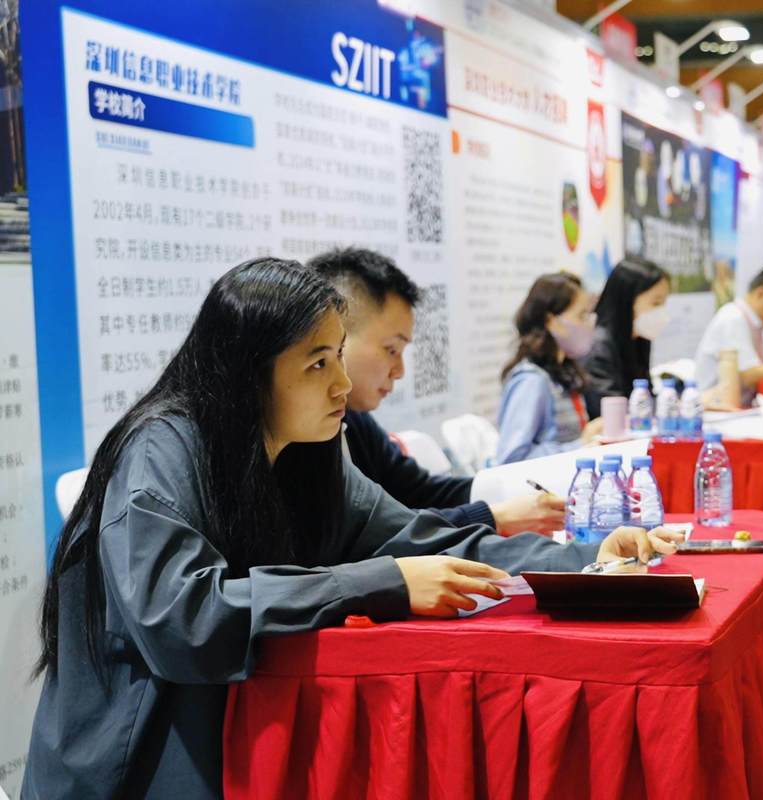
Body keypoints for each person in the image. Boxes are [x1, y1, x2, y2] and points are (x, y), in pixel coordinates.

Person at [23, 258, 678, 800]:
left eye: (337, 356)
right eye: (315, 364)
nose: (341, 383)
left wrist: (584, 558)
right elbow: (184, 620)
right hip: (138, 764)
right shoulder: (162, 451)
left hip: (254, 743)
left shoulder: (310, 453)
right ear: (248, 375)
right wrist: (377, 584)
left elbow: (424, 539)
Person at [307, 248, 565, 535]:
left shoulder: (354, 421)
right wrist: (492, 517)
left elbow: (416, 493)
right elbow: (370, 538)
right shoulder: (300, 438)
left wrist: (507, 494)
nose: (399, 370)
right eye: (391, 349)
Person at [495, 272, 604, 464]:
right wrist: (581, 444)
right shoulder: (532, 381)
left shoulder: (565, 372)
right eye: (581, 315)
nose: (589, 324)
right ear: (551, 320)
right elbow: (511, 458)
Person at [693, 266, 763, 406]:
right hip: (715, 409)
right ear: (761, 294)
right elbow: (748, 373)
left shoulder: (757, 325)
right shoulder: (733, 317)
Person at [580, 256, 671, 417]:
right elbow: (612, 412)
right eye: (656, 303)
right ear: (627, 300)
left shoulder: (639, 339)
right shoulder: (597, 347)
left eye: (664, 302)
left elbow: (645, 397)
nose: (662, 311)